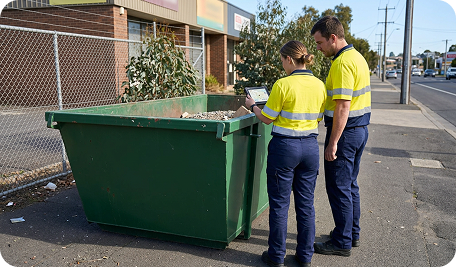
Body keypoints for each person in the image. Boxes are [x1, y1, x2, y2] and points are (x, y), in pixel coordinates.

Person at [245, 40, 326, 267]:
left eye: (282, 61)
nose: (282, 65)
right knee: (306, 205)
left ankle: (277, 256)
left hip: (285, 148)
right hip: (310, 148)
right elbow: (318, 117)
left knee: (280, 205)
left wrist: (253, 106)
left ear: (289, 59)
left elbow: (268, 117)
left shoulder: (283, 84)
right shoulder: (320, 85)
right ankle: (304, 257)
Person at [310, 16, 371, 257]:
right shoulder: (357, 57)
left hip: (345, 134)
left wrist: (333, 142)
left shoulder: (343, 63)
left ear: (333, 38)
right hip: (359, 131)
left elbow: (343, 106)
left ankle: (342, 241)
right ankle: (351, 233)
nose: (318, 47)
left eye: (320, 42)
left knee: (338, 188)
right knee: (350, 185)